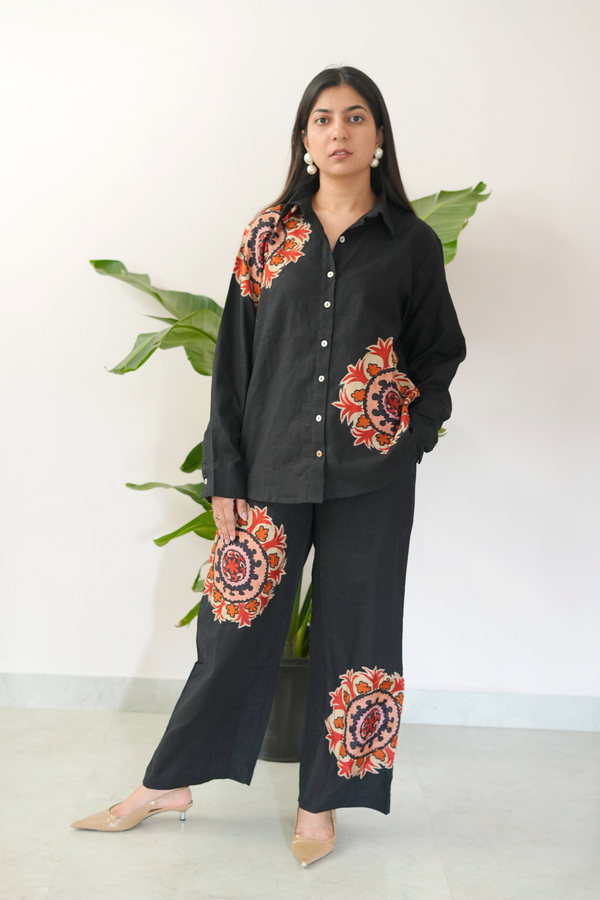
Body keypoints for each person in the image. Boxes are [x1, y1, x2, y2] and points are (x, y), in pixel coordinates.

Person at [70, 64, 467, 867]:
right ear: (305, 138)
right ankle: (170, 781)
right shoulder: (267, 235)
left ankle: (321, 801)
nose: (339, 132)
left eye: (356, 118)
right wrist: (227, 476)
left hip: (373, 479)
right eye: (323, 119)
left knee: (359, 635)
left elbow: (439, 353)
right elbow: (235, 365)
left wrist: (411, 434)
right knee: (232, 629)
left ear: (380, 138)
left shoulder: (411, 245)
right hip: (273, 468)